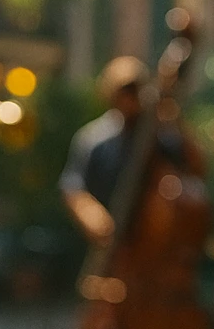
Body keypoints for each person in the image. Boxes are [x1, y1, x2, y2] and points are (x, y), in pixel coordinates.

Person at [60, 55, 201, 247]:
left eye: (135, 90)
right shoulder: (93, 139)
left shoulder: (159, 136)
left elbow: (196, 168)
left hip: (153, 243)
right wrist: (88, 213)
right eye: (124, 92)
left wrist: (174, 119)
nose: (130, 99)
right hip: (108, 243)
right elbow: (73, 186)